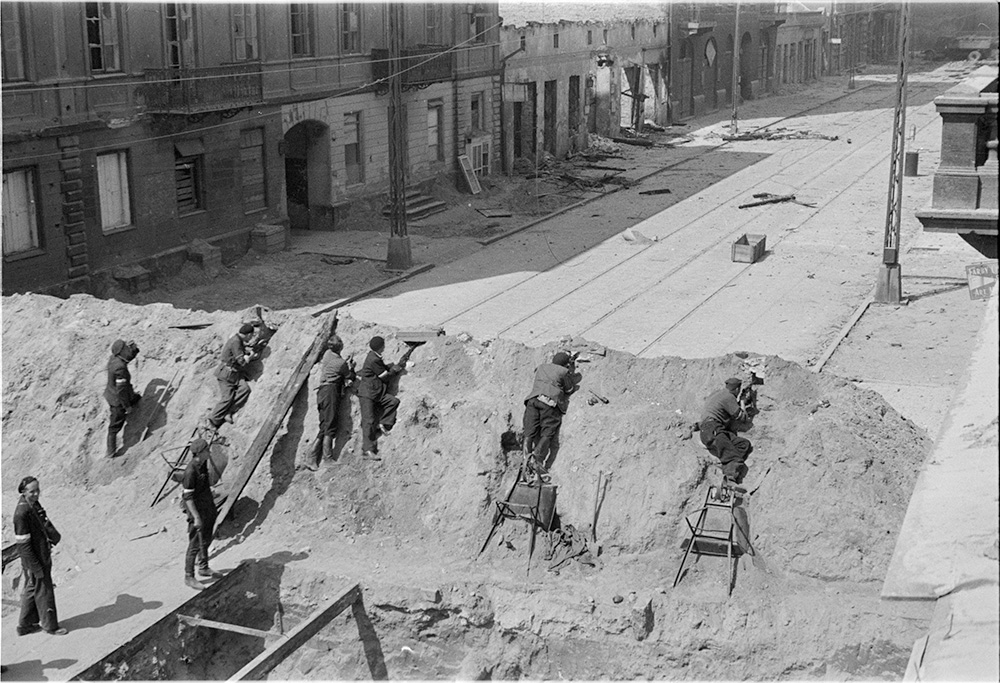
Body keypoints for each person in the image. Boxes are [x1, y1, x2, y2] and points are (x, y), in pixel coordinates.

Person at [14, 476, 68, 636]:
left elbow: (43, 522)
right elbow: (23, 545)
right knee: (44, 591)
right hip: (35, 559)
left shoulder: (32, 504)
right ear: (24, 492)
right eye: (32, 491)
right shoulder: (21, 514)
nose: (36, 494)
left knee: (33, 588)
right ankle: (51, 626)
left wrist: (52, 538)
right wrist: (35, 566)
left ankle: (25, 625)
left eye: (38, 490)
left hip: (40, 555)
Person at [522, 351, 580, 477]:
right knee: (548, 432)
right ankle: (536, 461)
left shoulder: (542, 367)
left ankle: (525, 460)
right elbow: (568, 389)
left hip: (533, 400)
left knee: (529, 432)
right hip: (549, 403)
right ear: (566, 364)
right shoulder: (563, 371)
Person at [181, 438, 223, 590]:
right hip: (197, 510)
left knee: (206, 537)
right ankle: (189, 576)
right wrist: (196, 517)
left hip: (207, 507)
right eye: (206, 450)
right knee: (194, 543)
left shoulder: (202, 463)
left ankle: (204, 567)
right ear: (199, 453)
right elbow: (188, 497)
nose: (209, 452)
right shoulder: (191, 471)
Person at [699, 377, 754, 487]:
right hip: (713, 429)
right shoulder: (728, 397)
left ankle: (726, 464)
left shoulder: (719, 394)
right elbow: (742, 418)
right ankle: (730, 479)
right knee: (735, 458)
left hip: (711, 430)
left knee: (743, 444)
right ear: (737, 389)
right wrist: (742, 402)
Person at [311, 335, 355, 467]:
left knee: (324, 425)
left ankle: (311, 457)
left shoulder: (327, 354)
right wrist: (351, 367)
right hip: (331, 392)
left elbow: (335, 367)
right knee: (330, 426)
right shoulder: (341, 363)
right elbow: (349, 375)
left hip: (322, 391)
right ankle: (327, 458)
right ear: (340, 347)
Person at [357, 336, 404, 459]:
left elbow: (382, 369)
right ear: (381, 347)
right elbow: (384, 376)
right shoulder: (373, 360)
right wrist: (395, 370)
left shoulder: (375, 356)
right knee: (368, 421)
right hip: (368, 394)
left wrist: (392, 368)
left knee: (393, 402)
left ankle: (383, 423)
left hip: (376, 393)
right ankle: (368, 451)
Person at [207, 324, 255, 430]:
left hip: (235, 374)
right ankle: (214, 420)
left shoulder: (237, 339)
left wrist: (246, 351)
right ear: (248, 334)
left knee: (245, 389)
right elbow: (241, 361)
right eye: (251, 335)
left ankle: (229, 411)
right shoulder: (236, 342)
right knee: (227, 398)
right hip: (226, 374)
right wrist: (249, 357)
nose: (252, 337)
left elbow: (237, 352)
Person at [104, 339, 140, 457]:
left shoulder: (114, 359)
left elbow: (128, 357)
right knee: (115, 424)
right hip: (117, 400)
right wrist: (127, 406)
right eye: (126, 347)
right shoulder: (120, 368)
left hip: (113, 392)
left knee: (133, 396)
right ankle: (111, 451)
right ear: (122, 351)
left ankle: (133, 399)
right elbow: (121, 391)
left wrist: (134, 349)